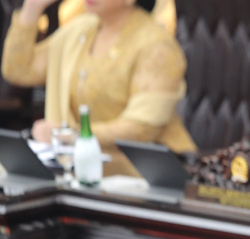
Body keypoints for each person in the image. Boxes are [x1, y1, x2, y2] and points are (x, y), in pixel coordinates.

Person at [1, 0, 196, 177]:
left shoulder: (156, 45)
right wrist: (31, 8)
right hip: (81, 168)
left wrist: (69, 135)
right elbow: (19, 70)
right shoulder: (81, 30)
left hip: (146, 174)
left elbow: (142, 129)